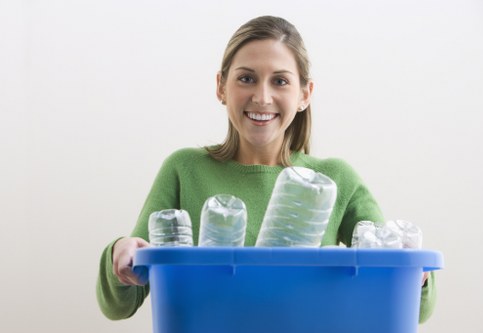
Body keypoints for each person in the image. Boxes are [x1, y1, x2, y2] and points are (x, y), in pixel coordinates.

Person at [96, 15, 436, 323]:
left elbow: (415, 307)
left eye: (280, 81)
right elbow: (121, 302)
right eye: (246, 78)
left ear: (305, 94)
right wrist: (119, 254)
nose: (262, 96)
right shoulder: (184, 170)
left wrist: (415, 272)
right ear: (221, 87)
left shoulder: (336, 179)